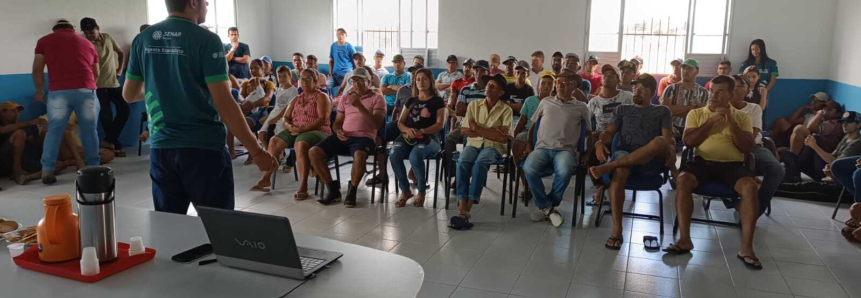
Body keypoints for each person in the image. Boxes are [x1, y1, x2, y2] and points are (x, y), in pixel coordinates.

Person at [123, 0, 277, 214]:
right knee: (219, 227)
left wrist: (163, 87)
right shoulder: (207, 40)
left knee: (168, 224)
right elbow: (224, 101)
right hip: (203, 149)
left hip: (161, 149)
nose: (207, 5)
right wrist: (257, 151)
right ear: (193, 3)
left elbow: (129, 94)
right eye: (205, 1)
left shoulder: (142, 39)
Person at [669, 75, 761, 269]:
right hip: (703, 162)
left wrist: (731, 123)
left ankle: (746, 248)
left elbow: (747, 148)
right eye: (711, 90)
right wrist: (710, 122)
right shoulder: (697, 114)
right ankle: (684, 240)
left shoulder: (742, 116)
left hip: (732, 165)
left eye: (720, 92)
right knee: (683, 180)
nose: (713, 95)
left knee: (750, 186)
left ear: (730, 94)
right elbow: (689, 142)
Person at [587, 74, 675, 248]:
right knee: (620, 171)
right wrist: (599, 142)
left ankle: (609, 166)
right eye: (635, 88)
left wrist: (671, 147)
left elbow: (667, 139)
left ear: (651, 92)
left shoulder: (662, 111)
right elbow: (609, 133)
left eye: (641, 89)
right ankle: (617, 231)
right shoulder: (622, 110)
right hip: (623, 156)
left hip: (649, 163)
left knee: (659, 141)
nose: (636, 91)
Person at [33, 19, 101, 185]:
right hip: (86, 91)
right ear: (73, 29)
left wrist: (40, 90)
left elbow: (37, 69)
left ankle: (47, 172)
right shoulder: (87, 43)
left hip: (59, 93)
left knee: (54, 131)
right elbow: (96, 73)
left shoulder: (44, 41)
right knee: (89, 131)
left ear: (55, 30)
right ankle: (93, 168)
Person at [523, 70, 591, 228]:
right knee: (529, 168)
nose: (561, 85)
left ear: (574, 87)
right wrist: (528, 144)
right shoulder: (545, 101)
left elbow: (588, 133)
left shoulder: (581, 107)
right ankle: (548, 208)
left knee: (565, 171)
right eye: (559, 82)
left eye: (566, 83)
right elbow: (534, 126)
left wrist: (587, 153)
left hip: (565, 151)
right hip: (542, 148)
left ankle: (547, 206)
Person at [311, 68, 385, 208]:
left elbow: (376, 124)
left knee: (359, 155)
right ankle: (333, 190)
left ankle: (352, 191)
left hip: (365, 137)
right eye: (353, 80)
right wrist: (337, 130)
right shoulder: (346, 97)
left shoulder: (377, 98)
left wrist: (359, 105)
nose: (356, 84)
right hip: (344, 135)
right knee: (314, 152)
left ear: (369, 81)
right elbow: (338, 122)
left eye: (360, 80)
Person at [252, 69, 332, 196]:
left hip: (318, 131)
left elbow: (323, 119)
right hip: (296, 130)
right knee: (274, 141)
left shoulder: (322, 97)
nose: (304, 82)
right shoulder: (296, 99)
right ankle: (266, 178)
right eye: (302, 79)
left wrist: (302, 129)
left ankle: (303, 185)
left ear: (315, 81)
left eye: (308, 79)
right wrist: (289, 126)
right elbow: (286, 117)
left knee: (300, 144)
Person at [450, 73, 512, 230]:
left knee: (480, 162)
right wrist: (492, 131)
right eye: (487, 85)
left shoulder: (506, 110)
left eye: (493, 86)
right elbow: (464, 130)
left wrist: (476, 128)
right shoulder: (474, 105)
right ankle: (462, 206)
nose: (487, 88)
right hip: (473, 144)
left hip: (494, 146)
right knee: (463, 161)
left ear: (501, 92)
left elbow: (503, 139)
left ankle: (467, 208)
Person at [729, 75, 785, 216]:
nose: (736, 89)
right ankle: (734, 200)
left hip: (752, 147)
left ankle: (753, 212)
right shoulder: (718, 107)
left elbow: (751, 137)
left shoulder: (754, 108)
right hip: (724, 146)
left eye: (741, 86)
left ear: (748, 90)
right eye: (733, 86)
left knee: (776, 170)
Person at [391, 68, 446, 207]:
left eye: (425, 79)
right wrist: (408, 130)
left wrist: (422, 131)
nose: (421, 82)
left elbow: (440, 124)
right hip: (409, 136)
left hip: (430, 138)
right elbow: (400, 122)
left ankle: (421, 191)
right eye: (418, 79)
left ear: (431, 81)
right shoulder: (411, 100)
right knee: (394, 154)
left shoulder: (438, 101)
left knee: (415, 155)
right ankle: (405, 191)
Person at [80, 17, 129, 157]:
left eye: (91, 31)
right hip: (98, 85)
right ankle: (115, 145)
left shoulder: (107, 37)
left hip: (114, 83)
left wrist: (120, 70)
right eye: (86, 32)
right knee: (106, 116)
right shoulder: (84, 44)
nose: (89, 35)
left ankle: (109, 140)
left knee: (124, 110)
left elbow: (120, 52)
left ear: (98, 28)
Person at [585, 64, 633, 205]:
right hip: (602, 137)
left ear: (618, 80)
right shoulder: (594, 102)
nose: (607, 77)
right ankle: (599, 186)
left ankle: (610, 185)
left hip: (622, 136)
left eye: (612, 75)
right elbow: (587, 123)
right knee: (589, 146)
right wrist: (594, 135)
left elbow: (634, 118)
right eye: (605, 75)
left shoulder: (627, 97)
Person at [780, 109, 860, 183]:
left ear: (858, 124)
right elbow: (832, 155)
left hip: (828, 174)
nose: (844, 125)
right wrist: (812, 146)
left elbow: (837, 163)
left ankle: (793, 175)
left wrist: (814, 146)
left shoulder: (856, 143)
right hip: (824, 167)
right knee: (786, 153)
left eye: (848, 122)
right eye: (843, 122)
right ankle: (794, 175)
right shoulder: (846, 138)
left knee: (817, 138)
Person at [444, 60, 491, 184]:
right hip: (465, 125)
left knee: (467, 138)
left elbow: (488, 114)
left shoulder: (490, 91)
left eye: (481, 70)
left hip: (483, 129)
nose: (478, 73)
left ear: (488, 73)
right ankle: (454, 173)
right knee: (449, 138)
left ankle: (463, 176)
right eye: (476, 70)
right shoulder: (465, 89)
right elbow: (459, 111)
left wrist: (469, 109)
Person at [512, 71, 555, 200]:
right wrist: (513, 136)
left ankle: (535, 179)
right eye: (543, 83)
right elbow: (522, 121)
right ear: (538, 86)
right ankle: (526, 185)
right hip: (528, 132)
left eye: (550, 84)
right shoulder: (530, 100)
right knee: (517, 145)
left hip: (548, 134)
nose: (546, 86)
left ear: (554, 86)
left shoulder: (556, 102)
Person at [660, 58, 708, 141]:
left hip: (694, 127)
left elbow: (700, 114)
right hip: (672, 126)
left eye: (689, 68)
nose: (685, 71)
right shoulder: (671, 88)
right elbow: (666, 110)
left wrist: (676, 110)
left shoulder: (703, 92)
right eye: (683, 68)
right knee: (666, 138)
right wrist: (692, 108)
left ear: (696, 71)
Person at [0, 102, 45, 185]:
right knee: (20, 133)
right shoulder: (20, 126)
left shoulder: (24, 127)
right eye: (13, 111)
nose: (17, 114)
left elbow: (36, 144)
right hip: (3, 160)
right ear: (3, 112)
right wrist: (29, 122)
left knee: (57, 165)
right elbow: (2, 130)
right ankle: (16, 168)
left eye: (18, 112)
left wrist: (44, 132)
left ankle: (26, 177)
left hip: (24, 160)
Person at [258, 66, 299, 152]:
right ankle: (269, 150)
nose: (282, 78)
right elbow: (276, 106)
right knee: (261, 135)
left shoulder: (293, 91)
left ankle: (277, 153)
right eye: (279, 76)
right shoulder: (279, 90)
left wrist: (275, 119)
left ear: (290, 76)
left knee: (276, 137)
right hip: (274, 115)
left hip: (283, 117)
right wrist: (268, 117)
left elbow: (288, 108)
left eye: (284, 76)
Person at [328, 28, 357, 96]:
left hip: (345, 74)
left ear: (346, 35)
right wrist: (330, 73)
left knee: (346, 91)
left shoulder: (349, 47)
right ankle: (329, 103)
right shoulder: (333, 46)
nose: (340, 36)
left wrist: (354, 73)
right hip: (335, 74)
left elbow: (355, 60)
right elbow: (331, 60)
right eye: (338, 34)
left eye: (342, 34)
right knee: (325, 85)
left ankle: (341, 104)